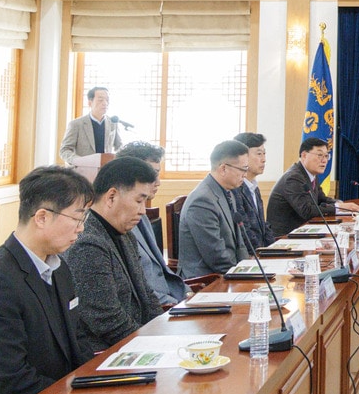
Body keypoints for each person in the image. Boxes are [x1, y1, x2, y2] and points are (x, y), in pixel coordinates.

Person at [0, 166, 96, 394]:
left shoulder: (58, 266)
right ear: (42, 217)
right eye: (78, 219)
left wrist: (96, 386)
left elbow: (78, 340)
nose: (81, 229)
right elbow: (11, 384)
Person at [62, 157, 163, 351]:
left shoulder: (124, 233)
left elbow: (147, 295)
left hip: (136, 341)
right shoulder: (87, 243)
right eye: (139, 200)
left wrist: (163, 331)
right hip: (106, 354)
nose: (143, 211)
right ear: (111, 197)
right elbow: (106, 321)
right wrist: (153, 345)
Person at [116, 141, 189, 306]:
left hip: (174, 299)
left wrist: (189, 297)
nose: (158, 182)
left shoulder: (143, 217)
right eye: (152, 174)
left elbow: (161, 272)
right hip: (158, 309)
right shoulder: (118, 222)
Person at [177, 140, 253, 279]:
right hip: (205, 280)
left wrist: (247, 269)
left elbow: (239, 244)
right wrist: (242, 276)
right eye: (243, 169)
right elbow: (216, 256)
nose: (245, 175)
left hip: (227, 272)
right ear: (223, 168)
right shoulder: (202, 201)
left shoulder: (227, 191)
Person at [267, 137, 359, 238]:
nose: (324, 160)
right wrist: (338, 208)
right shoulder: (293, 178)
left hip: (302, 231)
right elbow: (306, 211)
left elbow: (321, 199)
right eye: (320, 155)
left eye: (326, 156)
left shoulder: (311, 175)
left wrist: (341, 205)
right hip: (284, 238)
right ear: (304, 155)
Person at [59, 86, 123, 163]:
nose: (105, 103)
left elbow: (119, 146)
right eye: (100, 100)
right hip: (83, 169)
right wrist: (79, 161)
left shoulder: (113, 123)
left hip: (106, 169)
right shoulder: (76, 124)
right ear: (90, 103)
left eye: (107, 100)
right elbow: (65, 149)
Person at [232, 132, 273, 249]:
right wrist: (262, 253)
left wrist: (273, 249)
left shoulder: (254, 187)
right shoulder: (235, 188)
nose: (264, 159)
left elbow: (264, 227)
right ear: (242, 156)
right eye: (259, 154)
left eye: (264, 154)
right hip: (251, 255)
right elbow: (244, 231)